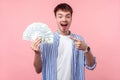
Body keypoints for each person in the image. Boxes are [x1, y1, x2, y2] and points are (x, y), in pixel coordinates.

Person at [31, 3, 96, 80]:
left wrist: (86, 49)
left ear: (71, 18)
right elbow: (38, 70)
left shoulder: (79, 40)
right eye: (60, 16)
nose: (64, 19)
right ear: (56, 18)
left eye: (67, 16)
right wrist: (37, 53)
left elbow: (91, 65)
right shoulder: (46, 40)